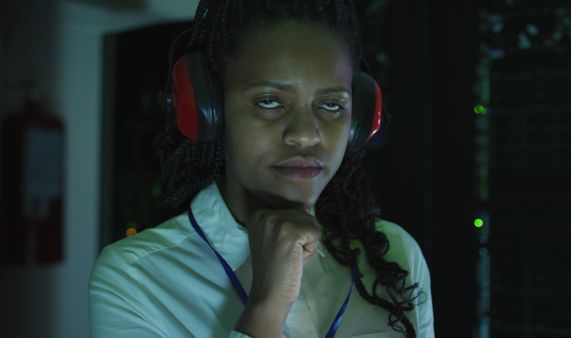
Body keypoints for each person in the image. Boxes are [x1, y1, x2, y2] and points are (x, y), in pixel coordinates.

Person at [89, 1, 435, 337]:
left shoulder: (395, 253)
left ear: (358, 120)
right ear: (209, 109)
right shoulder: (135, 279)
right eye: (269, 102)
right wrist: (267, 305)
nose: (304, 135)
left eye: (331, 105)